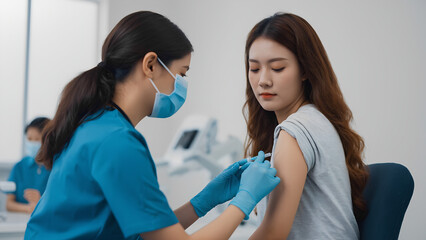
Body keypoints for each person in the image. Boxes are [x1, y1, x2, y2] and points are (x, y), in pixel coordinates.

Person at [24, 11, 280, 240]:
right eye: (181, 73)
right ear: (150, 64)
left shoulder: (96, 125)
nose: (181, 84)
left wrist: (204, 201)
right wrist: (244, 200)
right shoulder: (118, 143)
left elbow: (148, 233)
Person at [243, 13, 369, 239]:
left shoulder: (296, 130)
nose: (263, 80)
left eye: (278, 68)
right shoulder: (316, 119)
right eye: (254, 69)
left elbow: (273, 233)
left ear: (306, 70)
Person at [6, 117, 51, 214]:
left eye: (37, 139)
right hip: (19, 223)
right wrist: (28, 208)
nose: (32, 143)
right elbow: (9, 204)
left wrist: (40, 203)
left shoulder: (56, 167)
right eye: (29, 139)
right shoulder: (20, 166)